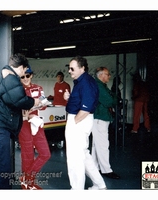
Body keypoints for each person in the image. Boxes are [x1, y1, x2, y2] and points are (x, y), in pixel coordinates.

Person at [0, 53, 41, 189]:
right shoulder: (10, 77)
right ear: (21, 67)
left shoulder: (0, 74)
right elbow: (18, 100)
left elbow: (9, 100)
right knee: (2, 167)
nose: (24, 74)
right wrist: (34, 101)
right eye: (25, 71)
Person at [63, 55, 106, 190]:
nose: (69, 71)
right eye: (69, 68)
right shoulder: (81, 81)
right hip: (79, 119)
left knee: (74, 158)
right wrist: (69, 98)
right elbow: (81, 101)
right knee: (83, 155)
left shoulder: (86, 83)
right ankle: (100, 185)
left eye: (72, 68)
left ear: (82, 68)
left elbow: (86, 108)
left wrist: (74, 122)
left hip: (79, 120)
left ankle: (77, 190)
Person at [18, 66, 51, 190]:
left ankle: (26, 179)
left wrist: (36, 107)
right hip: (24, 124)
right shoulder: (18, 90)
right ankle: (28, 184)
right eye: (22, 77)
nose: (26, 79)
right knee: (27, 155)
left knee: (45, 153)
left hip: (36, 122)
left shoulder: (38, 88)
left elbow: (44, 105)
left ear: (31, 75)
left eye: (28, 76)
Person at [92, 67, 120, 179]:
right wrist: (113, 99)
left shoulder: (101, 85)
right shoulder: (99, 85)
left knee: (96, 145)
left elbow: (114, 98)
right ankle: (106, 170)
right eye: (107, 74)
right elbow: (110, 100)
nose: (109, 76)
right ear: (101, 75)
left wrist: (113, 98)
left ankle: (94, 168)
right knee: (103, 144)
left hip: (99, 117)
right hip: (100, 118)